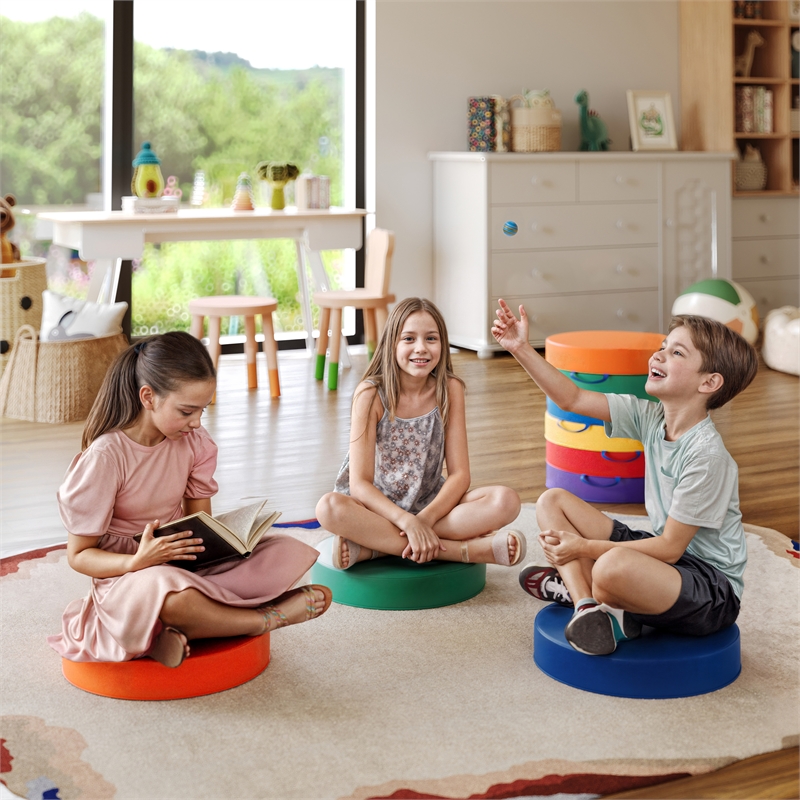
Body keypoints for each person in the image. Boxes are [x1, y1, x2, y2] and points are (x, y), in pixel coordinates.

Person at [48, 331, 331, 668]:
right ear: (148, 397)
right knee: (168, 590)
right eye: (186, 411)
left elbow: (201, 529)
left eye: (203, 410)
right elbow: (79, 556)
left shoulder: (194, 442)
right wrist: (137, 562)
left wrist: (231, 543)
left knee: (284, 549)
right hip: (128, 579)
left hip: (183, 566)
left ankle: (172, 631)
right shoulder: (106, 457)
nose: (196, 422)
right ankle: (262, 620)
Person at [491, 299, 758, 656]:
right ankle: (586, 605)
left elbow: (668, 548)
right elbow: (572, 397)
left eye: (676, 353)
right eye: (663, 346)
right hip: (666, 562)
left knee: (610, 567)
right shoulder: (651, 417)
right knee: (553, 501)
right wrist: (520, 347)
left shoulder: (708, 456)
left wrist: (583, 549)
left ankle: (591, 591)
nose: (658, 356)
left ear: (709, 382)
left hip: (711, 589)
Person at [316, 297, 524, 571]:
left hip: (429, 504)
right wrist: (406, 522)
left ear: (443, 343)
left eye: (431, 339)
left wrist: (423, 520)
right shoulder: (370, 395)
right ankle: (463, 551)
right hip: (375, 509)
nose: (421, 349)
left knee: (505, 501)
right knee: (328, 508)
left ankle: (375, 548)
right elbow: (360, 485)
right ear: (392, 344)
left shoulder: (450, 389)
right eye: (409, 339)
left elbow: (460, 475)